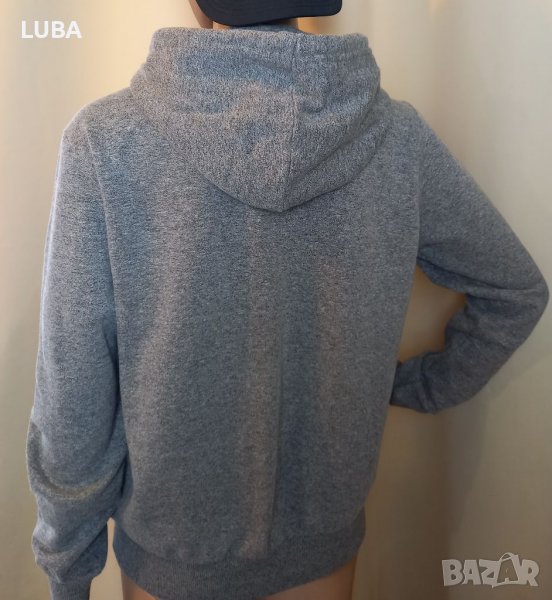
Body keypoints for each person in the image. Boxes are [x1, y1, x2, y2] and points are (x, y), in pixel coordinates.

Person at [25, 1, 549, 600]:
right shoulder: (396, 139)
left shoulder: (105, 142)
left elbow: (74, 390)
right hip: (321, 563)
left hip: (171, 566)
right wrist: (409, 385)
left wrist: (68, 570)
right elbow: (514, 291)